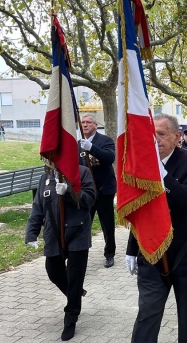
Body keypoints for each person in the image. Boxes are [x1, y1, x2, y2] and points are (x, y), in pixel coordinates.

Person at [126, 114, 187, 343]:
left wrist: (164, 177)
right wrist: (132, 249)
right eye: (152, 135)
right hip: (151, 254)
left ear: (177, 136)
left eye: (161, 134)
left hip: (185, 254)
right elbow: (139, 210)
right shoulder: (140, 164)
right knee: (147, 316)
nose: (156, 140)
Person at [25, 165, 96, 341]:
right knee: (53, 271)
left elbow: (89, 199)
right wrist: (31, 232)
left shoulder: (82, 172)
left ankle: (70, 318)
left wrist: (70, 191)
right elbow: (38, 207)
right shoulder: (45, 177)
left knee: (74, 277)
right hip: (54, 233)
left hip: (77, 232)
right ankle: (75, 293)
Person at [78, 114, 116, 268]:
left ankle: (110, 254)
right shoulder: (78, 143)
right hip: (86, 192)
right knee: (83, 225)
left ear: (95, 125)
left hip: (103, 190)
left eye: (88, 122)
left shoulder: (105, 141)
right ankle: (80, 255)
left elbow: (109, 158)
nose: (85, 125)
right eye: (83, 123)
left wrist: (91, 148)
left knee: (107, 225)